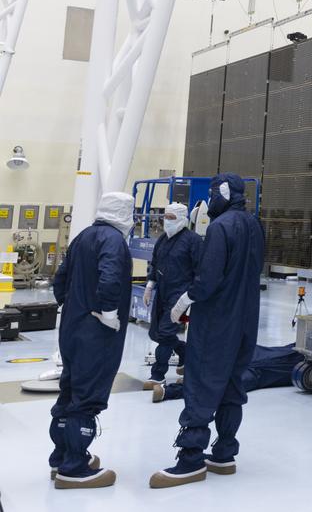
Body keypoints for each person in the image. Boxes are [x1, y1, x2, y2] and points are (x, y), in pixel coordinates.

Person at [150, 174, 265, 489]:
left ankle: (190, 459)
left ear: (224, 194)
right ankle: (224, 452)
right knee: (231, 384)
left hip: (217, 321)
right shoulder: (255, 225)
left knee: (201, 382)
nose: (210, 198)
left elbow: (209, 277)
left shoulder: (219, 228)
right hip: (246, 319)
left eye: (214, 193)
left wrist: (187, 299)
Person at [48, 191, 135, 489]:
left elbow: (59, 279)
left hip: (72, 327)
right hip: (95, 331)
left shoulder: (83, 236)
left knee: (70, 390)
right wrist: (108, 313)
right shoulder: (113, 241)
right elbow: (110, 278)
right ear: (125, 213)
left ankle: (60, 456)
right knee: (86, 397)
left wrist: (71, 306)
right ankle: (74, 467)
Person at [143, 202, 203, 390]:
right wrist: (150, 284)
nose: (167, 221)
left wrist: (190, 296)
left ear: (182, 219)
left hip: (180, 294)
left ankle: (157, 375)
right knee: (155, 332)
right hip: (163, 291)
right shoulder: (162, 239)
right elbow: (155, 262)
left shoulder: (193, 241)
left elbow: (200, 270)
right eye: (165, 217)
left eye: (171, 218)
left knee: (165, 331)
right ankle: (184, 352)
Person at [152, 345, 309, 403]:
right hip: (257, 356)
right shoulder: (303, 347)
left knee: (225, 386)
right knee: (225, 353)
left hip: (258, 372)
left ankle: (172, 390)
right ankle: (197, 368)